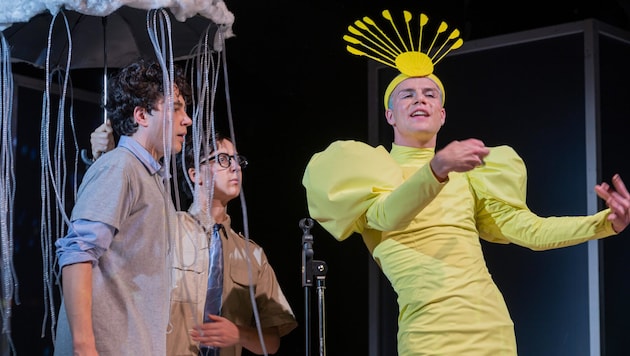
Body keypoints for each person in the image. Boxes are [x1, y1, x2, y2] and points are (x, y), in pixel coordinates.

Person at [301, 10, 630, 356]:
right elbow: (386, 217)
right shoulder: (370, 169)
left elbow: (528, 230)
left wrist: (603, 223)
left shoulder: (466, 173)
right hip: (428, 334)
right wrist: (437, 168)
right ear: (389, 114)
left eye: (430, 94)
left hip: (491, 330)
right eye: (407, 94)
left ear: (442, 115)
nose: (419, 99)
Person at [90, 125, 298, 355]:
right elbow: (114, 235)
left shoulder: (252, 255)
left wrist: (239, 334)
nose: (236, 167)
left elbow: (271, 341)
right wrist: (104, 159)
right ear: (195, 174)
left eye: (237, 160)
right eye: (223, 159)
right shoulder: (165, 228)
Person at [54, 59, 193, 355]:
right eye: (176, 108)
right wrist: (83, 347)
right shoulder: (120, 167)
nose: (187, 119)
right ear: (142, 115)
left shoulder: (148, 176)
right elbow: (77, 252)